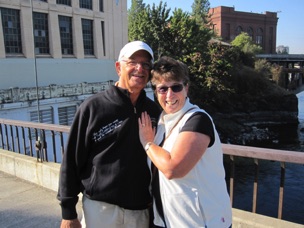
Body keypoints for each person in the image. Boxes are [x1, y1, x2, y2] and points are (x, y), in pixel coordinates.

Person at [57, 41, 161, 228]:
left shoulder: (154, 112)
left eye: (146, 64)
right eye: (133, 62)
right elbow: (71, 160)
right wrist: (68, 212)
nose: (140, 68)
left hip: (140, 213)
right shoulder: (93, 107)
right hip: (100, 211)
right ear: (118, 67)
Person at [138, 56, 232, 228]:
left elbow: (173, 168)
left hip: (202, 223)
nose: (169, 95)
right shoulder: (162, 122)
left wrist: (147, 143)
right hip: (168, 221)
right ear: (155, 91)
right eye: (162, 89)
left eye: (176, 87)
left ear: (186, 88)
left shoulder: (198, 120)